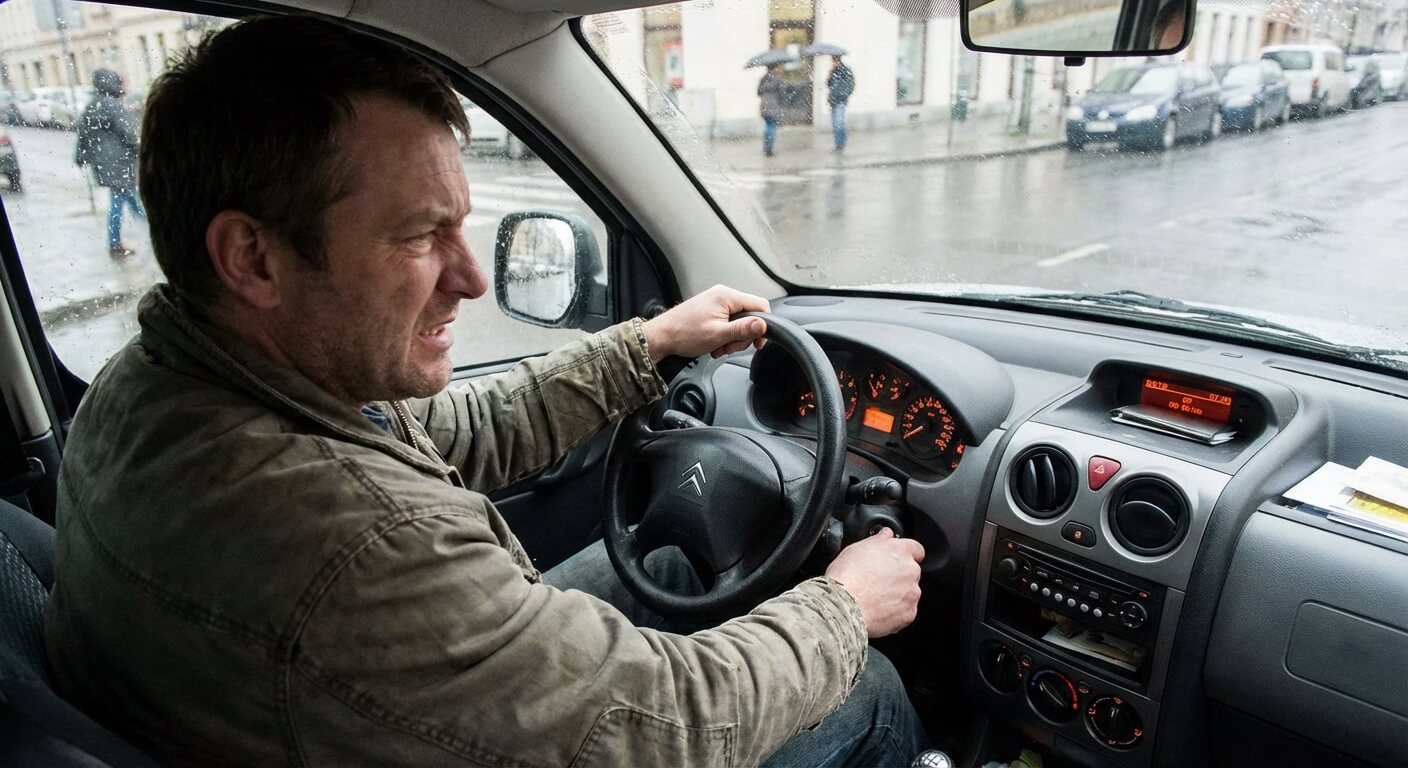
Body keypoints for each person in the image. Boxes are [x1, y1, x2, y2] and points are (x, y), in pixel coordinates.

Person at [45, 15, 930, 766]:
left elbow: (453, 428)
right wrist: (845, 604)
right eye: (422, 236)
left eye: (463, 228)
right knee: (867, 688)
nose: (470, 279)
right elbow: (671, 723)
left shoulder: (160, 379)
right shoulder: (353, 550)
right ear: (253, 258)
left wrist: (649, 343)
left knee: (666, 568)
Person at [75, 68, 144, 257]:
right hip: (119, 163)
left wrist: (81, 157)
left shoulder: (93, 105)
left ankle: (145, 233)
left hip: (103, 163)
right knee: (121, 199)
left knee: (128, 198)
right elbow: (128, 132)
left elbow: (83, 134)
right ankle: (117, 243)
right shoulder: (112, 105)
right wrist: (142, 149)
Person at [827, 55, 855, 152]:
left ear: (838, 61)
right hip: (833, 100)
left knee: (838, 123)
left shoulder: (845, 71)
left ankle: (841, 144)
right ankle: (838, 144)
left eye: (833, 61)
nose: (832, 63)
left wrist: (844, 94)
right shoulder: (833, 72)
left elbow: (851, 84)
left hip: (840, 101)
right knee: (836, 124)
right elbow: (828, 83)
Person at [758, 64, 785, 157]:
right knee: (772, 127)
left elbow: (758, 92)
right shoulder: (778, 79)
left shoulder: (763, 79)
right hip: (774, 105)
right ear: (775, 68)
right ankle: (769, 150)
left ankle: (766, 147)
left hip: (764, 105)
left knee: (767, 126)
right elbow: (782, 93)